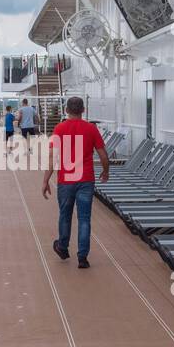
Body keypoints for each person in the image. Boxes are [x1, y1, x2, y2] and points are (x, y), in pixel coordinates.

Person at [41, 96, 109, 268]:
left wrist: (45, 180)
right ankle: (82, 257)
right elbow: (102, 154)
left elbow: (52, 158)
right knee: (84, 218)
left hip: (66, 180)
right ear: (83, 110)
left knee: (65, 215)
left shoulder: (59, 128)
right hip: (86, 179)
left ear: (66, 110)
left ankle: (63, 247)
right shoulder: (91, 129)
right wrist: (105, 171)